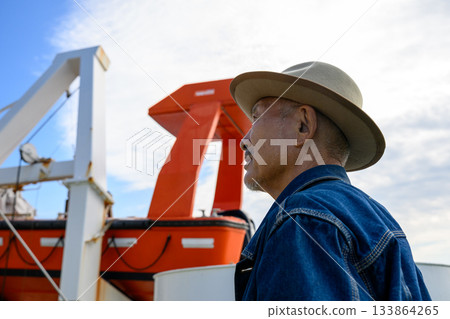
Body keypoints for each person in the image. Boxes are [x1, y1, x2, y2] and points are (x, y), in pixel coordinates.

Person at [230, 61, 431, 301]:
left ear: (302, 125)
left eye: (256, 118)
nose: (244, 140)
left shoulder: (302, 220)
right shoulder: (378, 217)